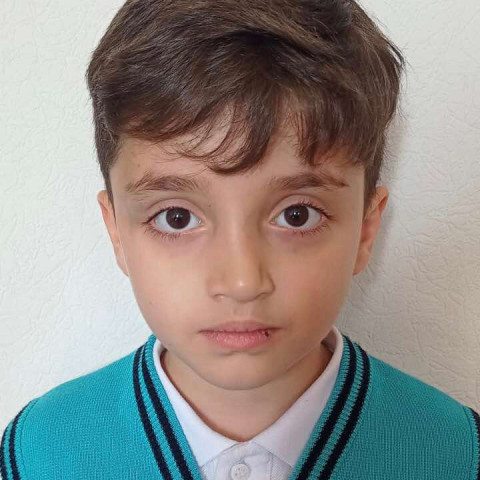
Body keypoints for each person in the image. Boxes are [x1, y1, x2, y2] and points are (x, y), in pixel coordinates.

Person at [1, 0, 479, 478]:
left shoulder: (457, 455)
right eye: (176, 218)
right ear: (117, 234)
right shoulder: (38, 454)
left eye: (296, 215)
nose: (242, 282)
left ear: (365, 230)